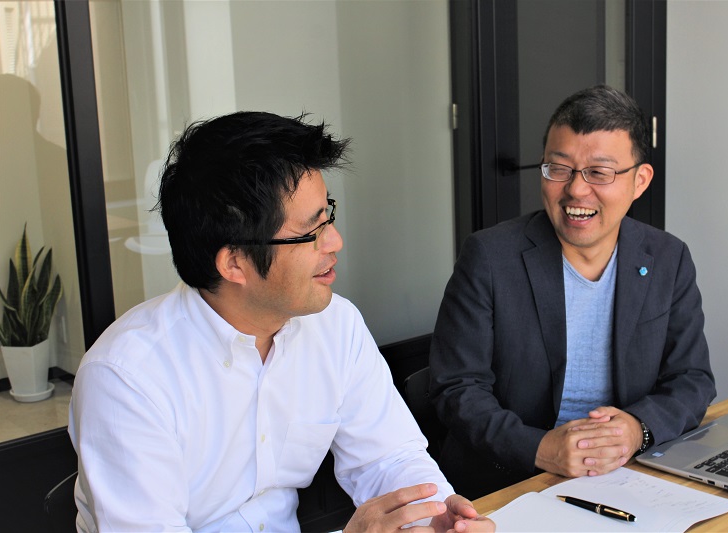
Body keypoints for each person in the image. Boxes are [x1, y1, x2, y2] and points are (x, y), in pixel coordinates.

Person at [68, 111, 494, 532]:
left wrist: (436, 517)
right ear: (234, 263)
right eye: (311, 231)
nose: (335, 241)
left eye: (328, 214)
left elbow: (389, 458)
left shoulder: (334, 324)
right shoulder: (127, 377)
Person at [428, 85, 716, 499]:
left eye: (599, 172)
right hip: (513, 481)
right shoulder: (490, 257)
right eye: (558, 168)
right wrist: (539, 448)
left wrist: (637, 429)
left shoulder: (668, 258)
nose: (576, 191)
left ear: (640, 181)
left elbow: (692, 379)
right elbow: (456, 387)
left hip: (629, 474)